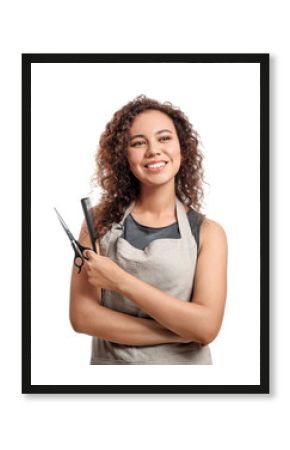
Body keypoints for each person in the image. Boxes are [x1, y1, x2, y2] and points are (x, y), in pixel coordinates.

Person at [69, 95, 228, 365]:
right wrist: (179, 332)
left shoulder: (209, 233)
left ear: (183, 150)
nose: (153, 150)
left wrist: (118, 279)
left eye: (164, 138)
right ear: (124, 156)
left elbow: (206, 327)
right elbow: (83, 317)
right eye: (138, 142)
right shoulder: (98, 222)